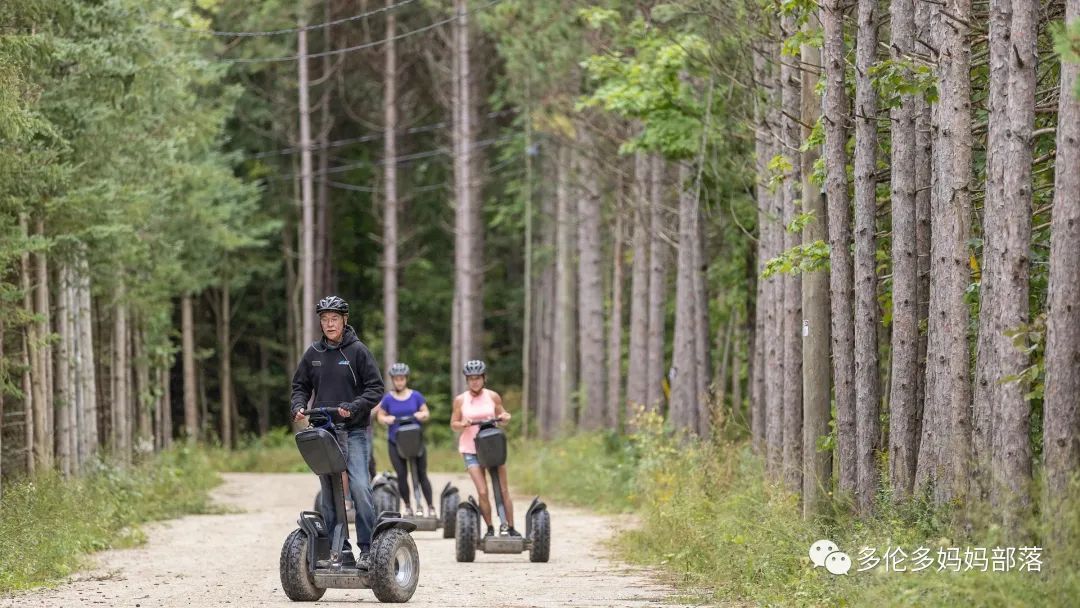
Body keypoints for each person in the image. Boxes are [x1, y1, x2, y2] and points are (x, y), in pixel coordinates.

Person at [290, 295, 384, 569]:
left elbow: (375, 388)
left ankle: (367, 549)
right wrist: (298, 405)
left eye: (334, 318)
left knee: (359, 488)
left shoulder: (358, 351)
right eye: (324, 319)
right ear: (320, 322)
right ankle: (339, 550)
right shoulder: (313, 354)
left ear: (345, 320)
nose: (329, 324)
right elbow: (300, 386)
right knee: (329, 492)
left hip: (354, 430)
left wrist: (354, 407)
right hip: (323, 430)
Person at [450, 359, 520, 538]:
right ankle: (489, 528)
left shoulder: (493, 396)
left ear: (484, 378)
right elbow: (454, 424)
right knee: (482, 490)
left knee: (503, 489)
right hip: (471, 449)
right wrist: (463, 424)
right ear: (467, 380)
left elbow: (502, 415)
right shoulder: (460, 400)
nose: (475, 381)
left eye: (478, 378)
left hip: (492, 447)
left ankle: (509, 527)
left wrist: (505, 417)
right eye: (471, 378)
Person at [373, 362, 436, 518]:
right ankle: (408, 506)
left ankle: (430, 506)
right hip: (396, 441)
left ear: (406, 379)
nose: (399, 382)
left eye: (402, 379)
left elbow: (426, 412)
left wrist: (421, 415)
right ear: (393, 380)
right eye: (396, 379)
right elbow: (380, 416)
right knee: (401, 475)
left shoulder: (416, 396)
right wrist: (386, 419)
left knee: (421, 474)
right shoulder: (388, 399)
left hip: (415, 440)